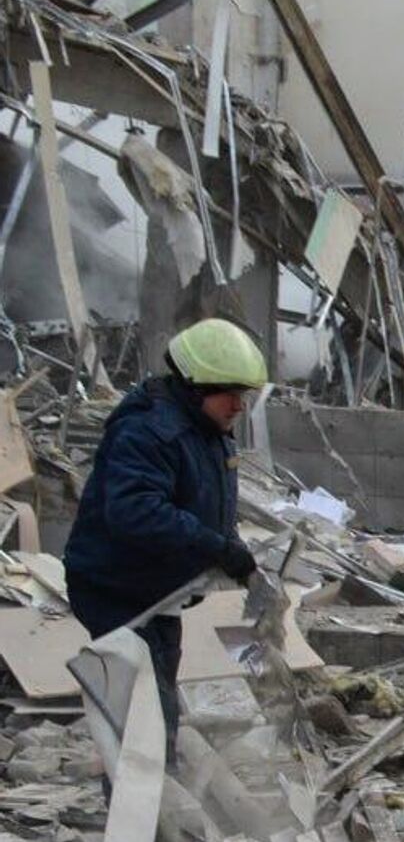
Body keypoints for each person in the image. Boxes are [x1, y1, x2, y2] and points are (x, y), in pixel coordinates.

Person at [64, 318, 265, 755]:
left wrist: (234, 549)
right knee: (142, 713)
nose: (239, 406)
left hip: (159, 589)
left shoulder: (208, 432)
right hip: (114, 589)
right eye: (230, 394)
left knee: (159, 702)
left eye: (243, 395)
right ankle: (141, 812)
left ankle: (158, 801)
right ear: (196, 387)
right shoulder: (148, 431)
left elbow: (210, 504)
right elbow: (136, 512)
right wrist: (216, 548)